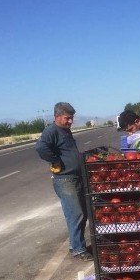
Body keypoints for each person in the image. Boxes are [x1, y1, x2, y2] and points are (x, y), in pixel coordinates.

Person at [35, 102, 92, 261]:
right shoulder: (51, 130)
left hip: (75, 177)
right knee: (76, 214)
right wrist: (55, 161)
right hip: (65, 179)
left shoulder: (65, 130)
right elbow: (40, 147)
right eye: (67, 118)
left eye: (72, 118)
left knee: (82, 213)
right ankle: (78, 249)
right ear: (57, 117)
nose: (70, 121)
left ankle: (76, 245)